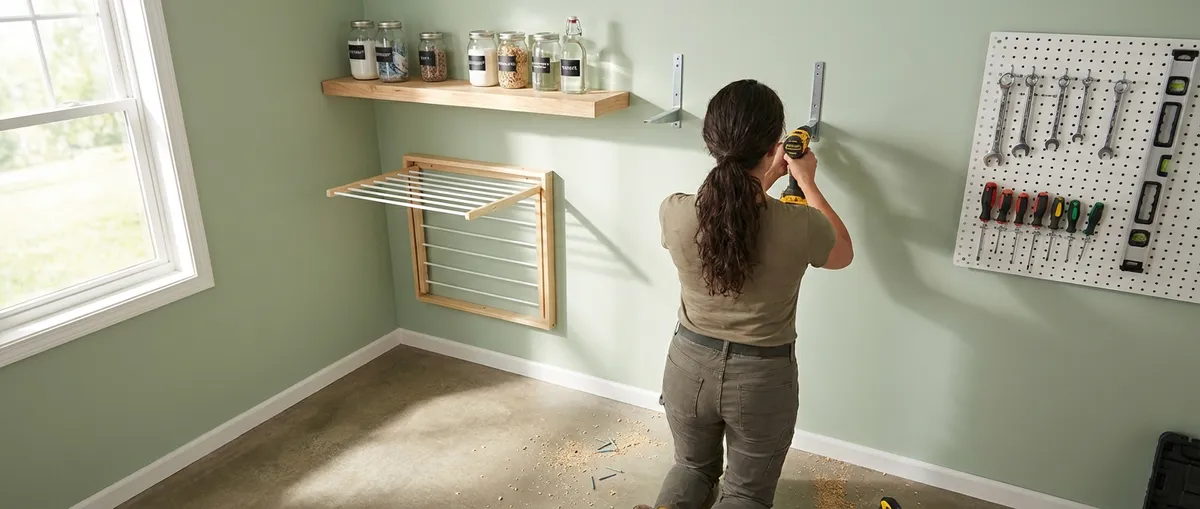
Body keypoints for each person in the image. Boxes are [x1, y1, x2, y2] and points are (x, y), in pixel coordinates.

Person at [637, 79, 854, 509]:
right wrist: (807, 181)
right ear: (775, 146)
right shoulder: (801, 225)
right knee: (746, 494)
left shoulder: (675, 211)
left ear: (710, 141)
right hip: (760, 380)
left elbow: (730, 219)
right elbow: (842, 254)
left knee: (691, 469)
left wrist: (766, 177)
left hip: (687, 367)